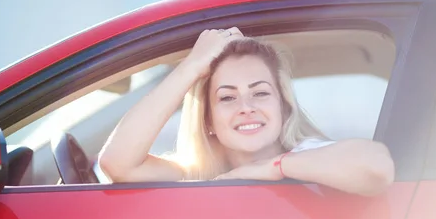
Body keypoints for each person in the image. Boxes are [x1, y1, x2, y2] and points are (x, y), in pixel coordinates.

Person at [99, 27, 394, 196]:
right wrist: (190, 67)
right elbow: (117, 163)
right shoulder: (199, 175)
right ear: (208, 121)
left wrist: (272, 168)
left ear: (283, 107)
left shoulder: (309, 155)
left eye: (261, 93)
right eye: (227, 98)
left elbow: (377, 167)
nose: (247, 108)